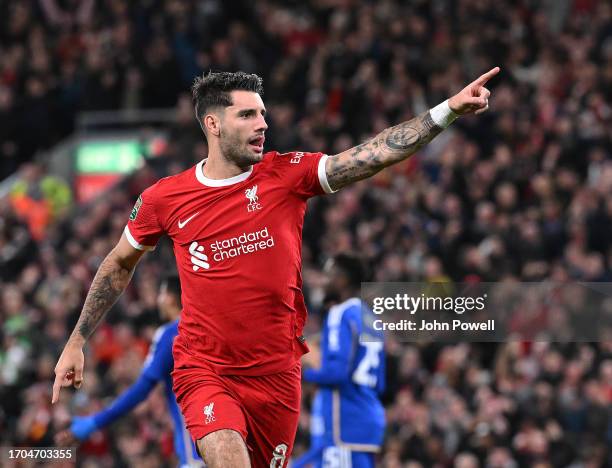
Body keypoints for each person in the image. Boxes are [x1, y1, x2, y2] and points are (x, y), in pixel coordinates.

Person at [52, 68, 499, 468]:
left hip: (278, 376)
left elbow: (371, 155)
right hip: (206, 368)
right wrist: (77, 340)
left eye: (262, 113)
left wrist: (447, 111)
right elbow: (119, 263)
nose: (263, 123)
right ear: (213, 124)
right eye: (247, 115)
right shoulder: (163, 199)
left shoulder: (286, 175)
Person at [55, 275, 202, 467]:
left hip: (195, 447)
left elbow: (142, 389)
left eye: (161, 294)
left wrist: (95, 422)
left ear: (170, 298)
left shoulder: (169, 335)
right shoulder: (206, 327)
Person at [294, 253, 385, 468]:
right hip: (368, 420)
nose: (324, 282)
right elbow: (380, 383)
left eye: (329, 275)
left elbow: (336, 373)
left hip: (342, 422)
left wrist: (301, 372)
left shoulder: (340, 313)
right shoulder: (372, 319)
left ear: (342, 280)